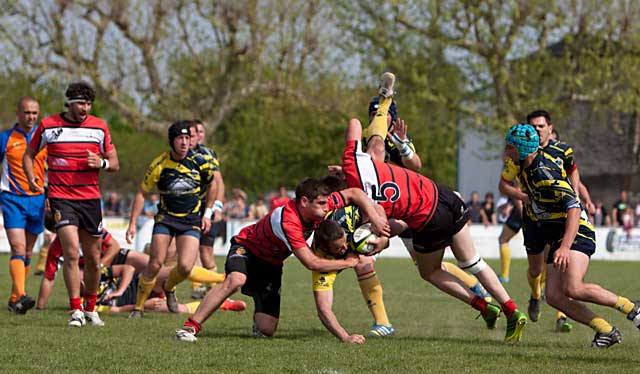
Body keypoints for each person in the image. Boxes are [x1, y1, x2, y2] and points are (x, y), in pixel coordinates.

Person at [341, 81, 527, 342]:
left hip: (416, 215)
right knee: (469, 261)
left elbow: (413, 164)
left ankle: (481, 303)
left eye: (379, 114)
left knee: (427, 270)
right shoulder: (366, 150)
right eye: (373, 115)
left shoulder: (382, 150)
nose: (376, 120)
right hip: (441, 196)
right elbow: (368, 142)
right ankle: (509, 308)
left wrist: (372, 239)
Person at [175, 177, 390, 342]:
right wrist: (348, 262)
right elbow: (311, 263)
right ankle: (190, 326)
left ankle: (256, 311)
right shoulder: (289, 221)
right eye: (322, 204)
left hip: (272, 264)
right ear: (304, 202)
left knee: (266, 329)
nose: (327, 208)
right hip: (246, 248)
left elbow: (354, 193)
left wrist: (375, 219)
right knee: (236, 279)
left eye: (327, 203)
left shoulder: (318, 206)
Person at [502, 123, 639, 348]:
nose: (506, 153)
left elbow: (574, 207)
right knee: (554, 295)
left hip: (576, 230)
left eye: (509, 148)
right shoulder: (523, 167)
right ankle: (605, 330)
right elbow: (507, 186)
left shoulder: (544, 173)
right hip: (558, 235)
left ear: (522, 149)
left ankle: (632, 308)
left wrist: (565, 247)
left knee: (573, 288)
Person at [24, 82, 119, 327]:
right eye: (80, 103)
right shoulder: (49, 125)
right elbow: (29, 155)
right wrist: (31, 177)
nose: (85, 108)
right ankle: (75, 309)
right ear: (69, 103)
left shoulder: (99, 127)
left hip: (90, 200)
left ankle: (91, 308)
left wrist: (101, 163)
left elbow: (115, 162)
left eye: (88, 103)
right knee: (70, 251)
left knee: (93, 258)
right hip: (61, 198)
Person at [125, 120, 215, 318]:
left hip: (191, 220)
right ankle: (138, 307)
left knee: (185, 267)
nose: (184, 142)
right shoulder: (160, 164)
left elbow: (213, 185)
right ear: (171, 141)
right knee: (155, 264)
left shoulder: (201, 162)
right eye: (180, 138)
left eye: (187, 138)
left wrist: (208, 213)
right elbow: (142, 193)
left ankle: (169, 286)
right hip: (166, 219)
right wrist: (132, 223)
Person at [0, 96, 47, 314]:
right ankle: (21, 294)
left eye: (35, 113)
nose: (31, 117)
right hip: (12, 199)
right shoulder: (5, 138)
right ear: (18, 113)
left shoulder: (44, 139)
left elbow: (52, 169)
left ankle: (13, 300)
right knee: (18, 248)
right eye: (27, 112)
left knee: (28, 253)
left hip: (37, 200)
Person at [189, 119, 225, 299]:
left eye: (200, 132)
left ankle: (215, 288)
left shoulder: (208, 154)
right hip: (188, 210)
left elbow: (218, 183)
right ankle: (197, 287)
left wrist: (217, 207)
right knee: (190, 248)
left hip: (206, 209)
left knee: (205, 251)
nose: (197, 136)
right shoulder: (178, 155)